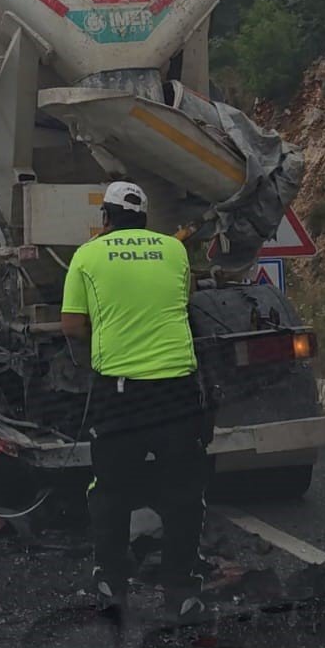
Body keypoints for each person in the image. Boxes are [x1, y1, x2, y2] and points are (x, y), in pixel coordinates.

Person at [60, 180, 211, 625]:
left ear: (105, 219)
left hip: (120, 390)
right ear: (145, 219)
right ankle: (181, 589)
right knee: (183, 489)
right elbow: (182, 303)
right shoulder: (174, 251)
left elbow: (71, 325)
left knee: (110, 488)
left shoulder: (88, 254)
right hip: (177, 388)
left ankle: (111, 583)